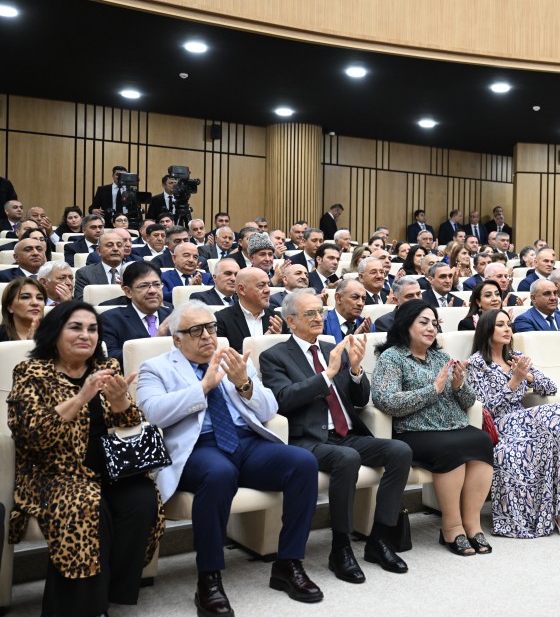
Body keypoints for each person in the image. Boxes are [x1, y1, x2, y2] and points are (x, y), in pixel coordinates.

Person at [137, 301, 323, 611]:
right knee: (219, 473)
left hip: (245, 442)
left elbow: (270, 410)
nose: (207, 336)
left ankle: (289, 563)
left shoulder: (234, 360)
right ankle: (209, 578)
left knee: (303, 463)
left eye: (211, 328)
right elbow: (153, 413)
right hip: (199, 447)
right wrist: (203, 387)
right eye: (196, 330)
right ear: (177, 339)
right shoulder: (155, 368)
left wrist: (244, 383)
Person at [7, 300, 164, 616]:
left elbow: (131, 426)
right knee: (85, 505)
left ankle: (110, 590)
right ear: (55, 333)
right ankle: (84, 608)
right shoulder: (32, 372)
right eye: (75, 327)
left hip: (109, 468)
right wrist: (81, 398)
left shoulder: (108, 368)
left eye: (92, 329)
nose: (86, 335)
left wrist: (120, 402)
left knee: (142, 499)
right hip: (53, 473)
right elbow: (31, 435)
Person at [260, 289, 411, 582]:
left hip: (346, 433)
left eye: (321, 312)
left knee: (400, 451)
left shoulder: (334, 348)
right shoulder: (274, 356)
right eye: (310, 313)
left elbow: (361, 400)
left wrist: (354, 369)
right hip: (307, 439)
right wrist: (326, 375)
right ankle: (340, 547)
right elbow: (283, 399)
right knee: (347, 458)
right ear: (291, 321)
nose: (319, 318)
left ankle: (379, 538)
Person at [468, 309, 560, 537]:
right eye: (500, 325)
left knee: (556, 426)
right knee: (559, 411)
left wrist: (529, 376)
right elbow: (486, 409)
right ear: (486, 329)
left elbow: (550, 386)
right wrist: (515, 381)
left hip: (524, 421)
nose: (507, 329)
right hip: (499, 424)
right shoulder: (477, 364)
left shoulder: (516, 357)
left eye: (508, 324)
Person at [371, 300, 494, 556]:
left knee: (481, 441)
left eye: (434, 324)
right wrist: (433, 390)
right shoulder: (392, 357)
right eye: (424, 322)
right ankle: (452, 526)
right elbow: (386, 400)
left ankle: (472, 524)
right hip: (415, 431)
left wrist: (459, 386)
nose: (431, 328)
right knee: (451, 448)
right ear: (406, 325)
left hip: (452, 426)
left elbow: (469, 402)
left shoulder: (441, 357)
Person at [100, 262, 172, 368]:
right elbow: (110, 358)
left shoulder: (173, 315)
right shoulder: (110, 319)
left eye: (157, 285)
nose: (153, 291)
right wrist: (155, 343)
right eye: (144, 286)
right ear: (128, 292)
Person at [214, 267, 285, 353]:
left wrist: (278, 341)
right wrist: (263, 343)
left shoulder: (278, 318)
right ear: (242, 289)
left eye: (268, 284)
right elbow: (223, 356)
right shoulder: (221, 319)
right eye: (261, 285)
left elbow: (290, 354)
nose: (268, 290)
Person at [0, 276, 46, 341]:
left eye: (40, 298)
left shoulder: (55, 334)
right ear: (9, 307)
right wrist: (30, 344)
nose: (35, 303)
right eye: (25, 297)